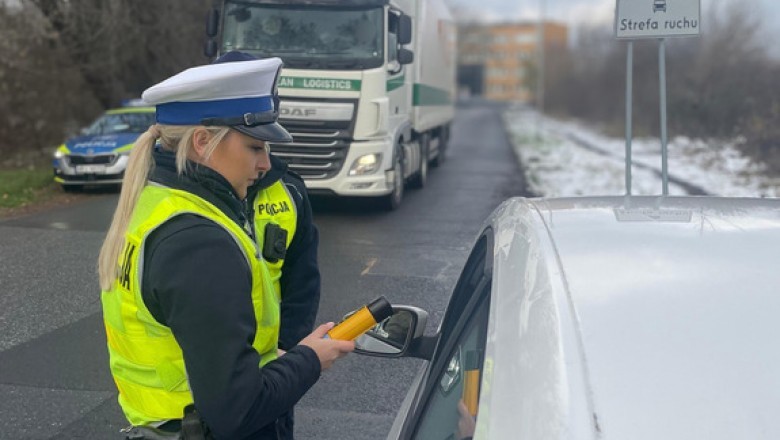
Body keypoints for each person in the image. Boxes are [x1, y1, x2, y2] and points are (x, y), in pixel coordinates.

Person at [97, 56, 354, 439]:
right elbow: (237, 411)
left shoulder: (156, 203)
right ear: (203, 142)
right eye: (254, 147)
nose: (267, 163)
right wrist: (310, 359)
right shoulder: (199, 243)